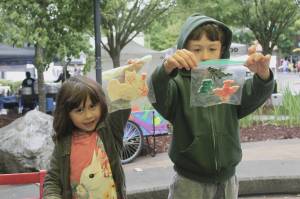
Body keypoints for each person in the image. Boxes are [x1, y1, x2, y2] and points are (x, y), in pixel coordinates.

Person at [150, 14, 275, 199]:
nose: (205, 55)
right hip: (189, 180)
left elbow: (253, 95)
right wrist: (166, 69)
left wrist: (263, 76)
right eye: (197, 49)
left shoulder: (228, 79)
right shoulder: (177, 84)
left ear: (222, 50)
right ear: (184, 49)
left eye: (212, 48)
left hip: (227, 179)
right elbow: (157, 95)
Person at [43, 76, 131, 199]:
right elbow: (53, 180)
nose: (88, 115)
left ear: (101, 104)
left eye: (92, 106)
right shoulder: (64, 142)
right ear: (66, 113)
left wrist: (125, 76)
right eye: (79, 110)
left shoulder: (109, 131)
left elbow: (121, 104)